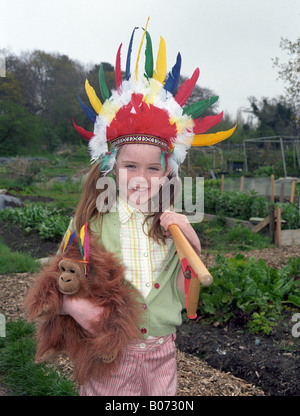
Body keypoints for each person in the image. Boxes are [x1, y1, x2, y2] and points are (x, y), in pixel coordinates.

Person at [60, 21, 236, 396]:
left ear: (167, 172)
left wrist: (188, 233)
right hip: (108, 353)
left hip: (161, 352)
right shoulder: (90, 223)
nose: (142, 178)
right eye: (130, 167)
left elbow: (190, 271)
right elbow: (60, 281)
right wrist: (77, 309)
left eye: (153, 168)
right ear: (110, 167)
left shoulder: (169, 222)